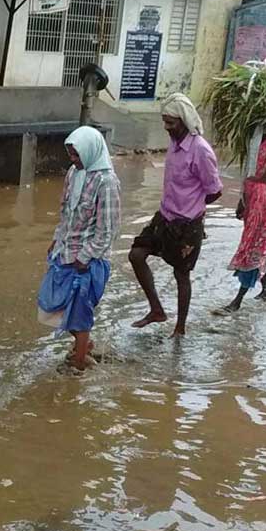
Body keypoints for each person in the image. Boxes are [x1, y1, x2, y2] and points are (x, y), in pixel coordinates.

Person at [129, 93, 223, 337]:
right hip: (165, 216)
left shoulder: (200, 150)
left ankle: (180, 328)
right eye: (164, 121)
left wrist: (192, 208)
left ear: (184, 121)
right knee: (136, 254)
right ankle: (157, 310)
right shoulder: (174, 143)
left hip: (187, 224)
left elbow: (215, 191)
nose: (166, 127)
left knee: (181, 274)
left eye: (171, 122)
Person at [38, 126, 121, 372]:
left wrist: (85, 257)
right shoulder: (74, 174)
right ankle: (84, 346)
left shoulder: (107, 182)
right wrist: (57, 238)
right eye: (71, 155)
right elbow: (65, 211)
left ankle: (78, 364)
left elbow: (108, 230)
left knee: (79, 315)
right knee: (51, 307)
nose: (73, 161)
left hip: (89, 260)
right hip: (65, 251)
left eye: (77, 155)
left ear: (90, 151)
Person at [217, 110, 266, 314]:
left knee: (254, 245)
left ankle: (237, 300)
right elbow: (250, 170)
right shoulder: (257, 135)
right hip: (253, 195)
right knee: (256, 242)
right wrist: (242, 200)